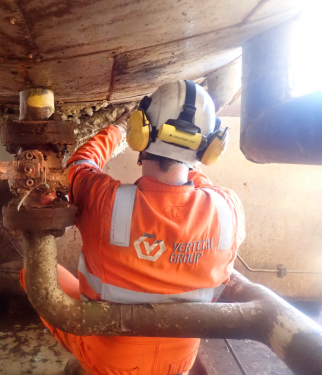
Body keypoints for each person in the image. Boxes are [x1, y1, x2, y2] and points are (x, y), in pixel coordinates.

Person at [20, 80, 245, 375]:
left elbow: (81, 163)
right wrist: (188, 157)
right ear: (209, 149)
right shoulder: (229, 208)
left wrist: (114, 130)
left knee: (32, 274)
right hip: (178, 364)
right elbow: (201, 186)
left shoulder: (104, 200)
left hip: (112, 362)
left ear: (139, 133)